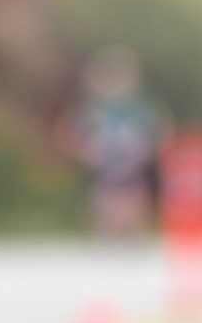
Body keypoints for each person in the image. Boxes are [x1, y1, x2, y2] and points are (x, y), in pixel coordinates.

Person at [65, 47, 164, 237]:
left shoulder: (140, 109)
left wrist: (144, 151)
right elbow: (71, 134)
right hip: (104, 181)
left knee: (133, 231)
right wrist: (88, 152)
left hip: (134, 179)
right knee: (106, 230)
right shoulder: (92, 110)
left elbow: (160, 131)